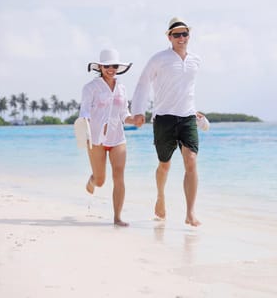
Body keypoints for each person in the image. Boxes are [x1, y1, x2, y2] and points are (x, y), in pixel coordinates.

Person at [131, 17, 202, 227]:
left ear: (189, 35)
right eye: (176, 34)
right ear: (169, 37)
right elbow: (143, 83)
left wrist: (195, 111)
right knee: (165, 164)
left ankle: (190, 213)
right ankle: (161, 197)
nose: (181, 38)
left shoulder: (195, 60)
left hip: (187, 117)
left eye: (185, 34)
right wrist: (137, 111)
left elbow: (188, 89)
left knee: (191, 161)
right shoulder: (159, 59)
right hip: (163, 118)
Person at [79, 48, 135, 227]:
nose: (111, 69)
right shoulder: (90, 88)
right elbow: (85, 110)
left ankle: (117, 218)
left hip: (118, 138)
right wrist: (85, 122)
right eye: (107, 66)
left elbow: (125, 114)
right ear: (100, 67)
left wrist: (135, 119)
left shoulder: (122, 88)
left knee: (119, 176)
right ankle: (93, 179)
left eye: (114, 66)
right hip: (96, 139)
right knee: (101, 180)